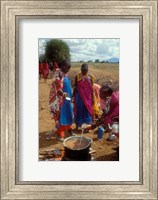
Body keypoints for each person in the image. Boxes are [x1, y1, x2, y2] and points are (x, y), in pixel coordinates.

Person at [49, 59, 73, 142]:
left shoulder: (64, 74)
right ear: (62, 66)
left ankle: (69, 130)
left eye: (69, 68)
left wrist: (70, 95)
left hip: (66, 99)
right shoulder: (57, 75)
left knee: (69, 113)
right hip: (59, 100)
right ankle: (60, 134)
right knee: (60, 116)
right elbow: (57, 88)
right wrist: (63, 94)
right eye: (67, 68)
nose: (68, 70)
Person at [73, 63, 95, 130]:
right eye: (82, 70)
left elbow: (91, 89)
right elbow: (75, 86)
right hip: (79, 97)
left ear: (88, 70)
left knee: (87, 111)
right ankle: (77, 125)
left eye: (85, 70)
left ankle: (88, 126)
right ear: (80, 69)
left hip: (88, 98)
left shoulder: (91, 77)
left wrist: (93, 98)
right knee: (78, 110)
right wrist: (73, 95)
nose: (84, 72)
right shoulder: (77, 76)